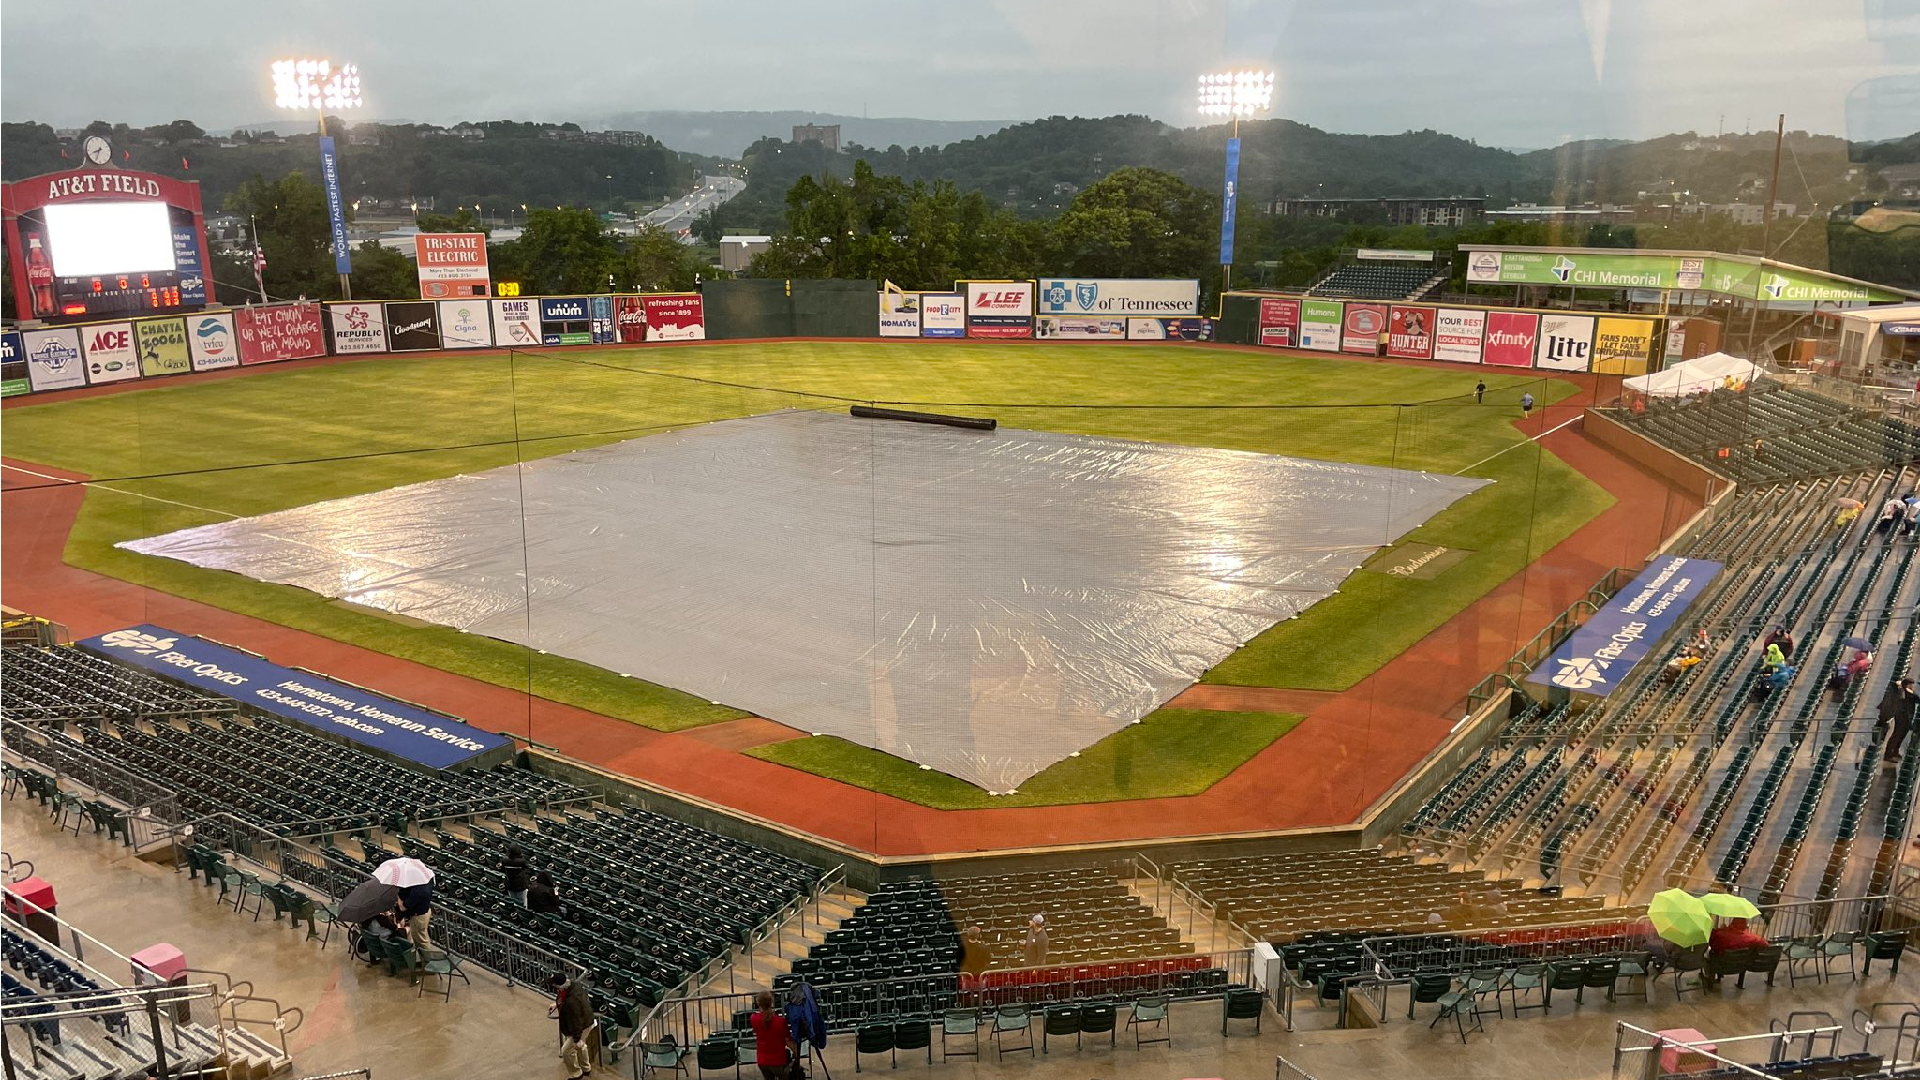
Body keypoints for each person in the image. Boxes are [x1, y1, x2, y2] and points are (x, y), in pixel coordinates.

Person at [549, 972, 596, 1080]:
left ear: (558, 986)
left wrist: (577, 1038)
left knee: (567, 1050)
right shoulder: (574, 986)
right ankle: (586, 1068)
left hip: (582, 1025)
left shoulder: (571, 1001)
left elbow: (576, 1021)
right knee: (580, 1046)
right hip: (583, 1022)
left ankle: (577, 1074)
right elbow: (563, 1000)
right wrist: (557, 1004)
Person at [749, 990, 794, 1080]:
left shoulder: (754, 1018)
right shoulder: (780, 1021)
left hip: (762, 1061)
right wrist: (796, 1053)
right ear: (771, 1003)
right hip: (778, 1061)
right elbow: (788, 1041)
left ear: (758, 1003)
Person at [396, 874, 434, 969]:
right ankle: (425, 962)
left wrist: (400, 897)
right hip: (424, 912)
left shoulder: (419, 891)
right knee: (421, 939)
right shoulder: (425, 881)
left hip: (419, 917)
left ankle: (428, 966)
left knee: (421, 941)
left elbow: (403, 907)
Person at [1878, 677, 1917, 762]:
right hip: (1901, 718)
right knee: (1896, 736)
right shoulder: (1902, 693)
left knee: (1902, 736)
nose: (1912, 687)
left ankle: (1895, 751)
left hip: (1907, 718)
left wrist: (1912, 692)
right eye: (1911, 685)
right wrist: (1911, 693)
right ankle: (1888, 755)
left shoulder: (1908, 692)